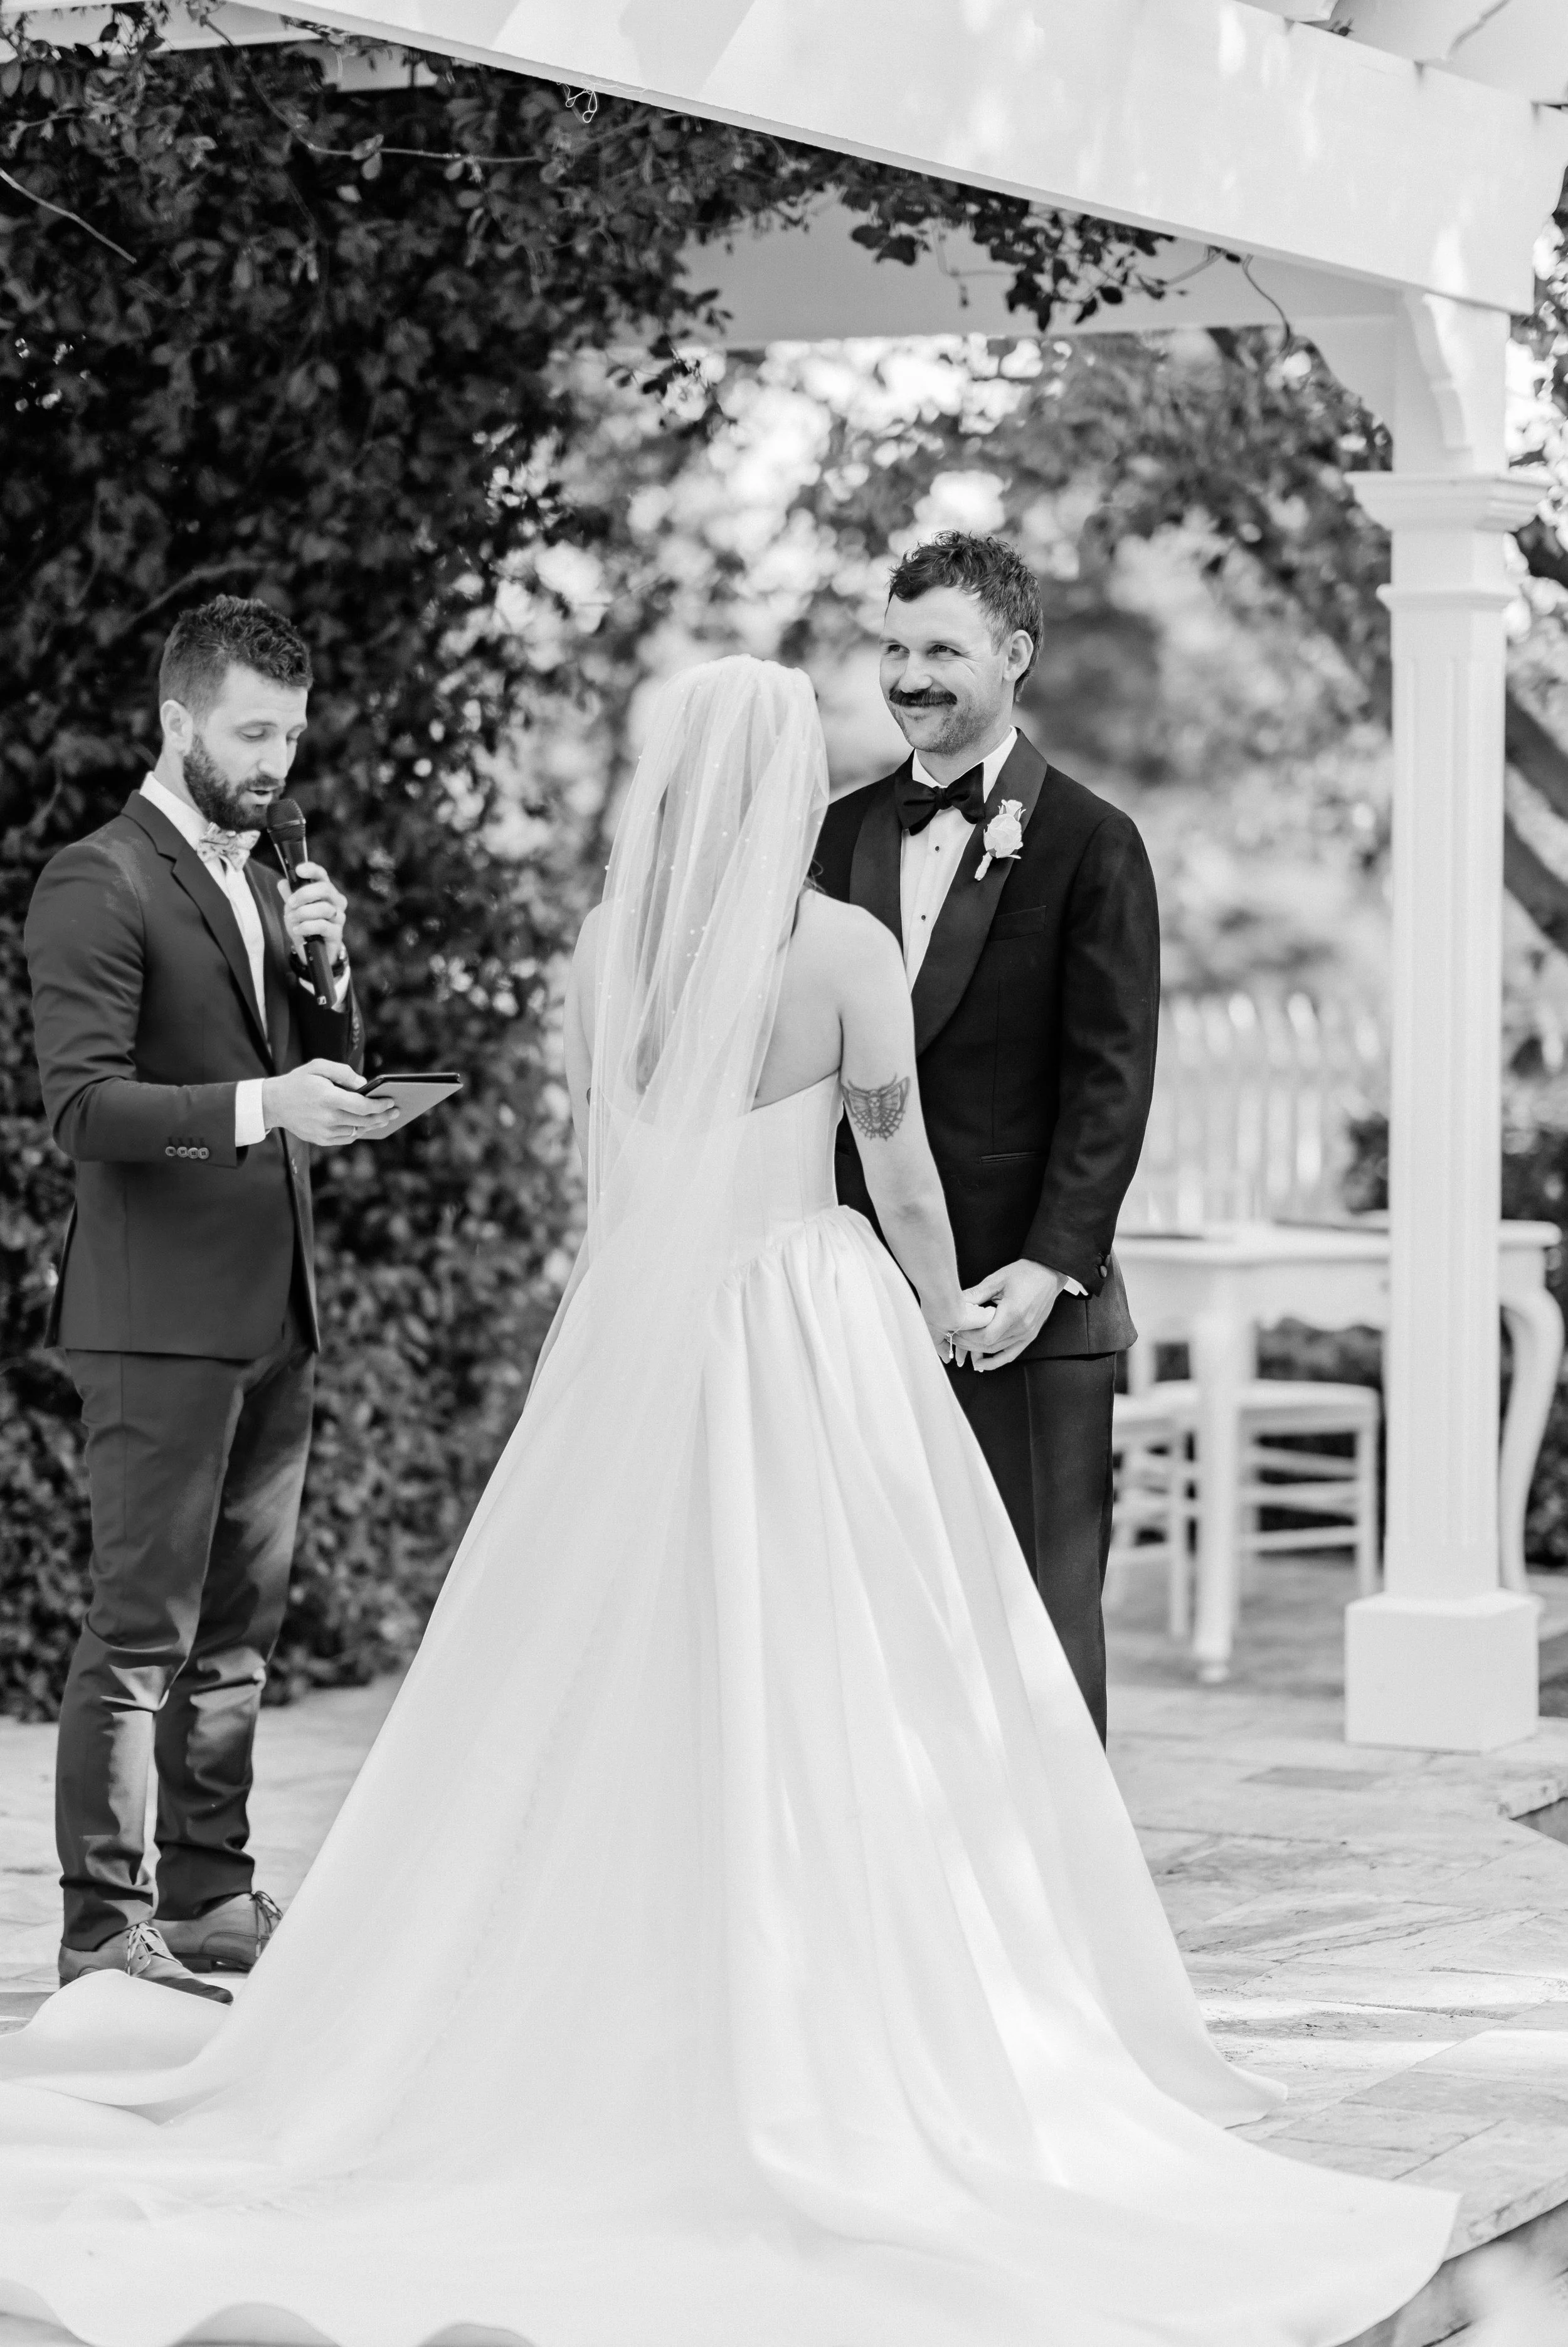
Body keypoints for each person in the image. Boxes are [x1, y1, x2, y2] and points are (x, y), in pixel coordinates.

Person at [0, 658, 1450, 2347]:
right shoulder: (841, 947)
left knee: (619, 1661)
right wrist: (945, 1310)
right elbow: (896, 1166)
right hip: (801, 1316)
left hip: (640, 1326)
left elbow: (607, 1176)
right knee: (848, 1660)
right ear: (786, 778)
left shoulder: (607, 947)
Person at [23, 595, 398, 2007]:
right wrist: (261, 1100)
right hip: (152, 1317)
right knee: (139, 1639)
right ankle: (99, 1926)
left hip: (269, 1309)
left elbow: (319, 1069)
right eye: (251, 731)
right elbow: (84, 1107)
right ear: (177, 721)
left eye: (291, 734)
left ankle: (215, 1897)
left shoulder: (259, 879)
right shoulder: (96, 878)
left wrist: (330, 971)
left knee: (238, 1641)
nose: (276, 760)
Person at [815, 531, 1158, 1742]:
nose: (910, 676)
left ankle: (1061, 1903)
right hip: (859, 1295)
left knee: (1040, 1613)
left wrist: (1052, 1266)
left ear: (1014, 655)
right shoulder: (837, 833)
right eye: (895, 648)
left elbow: (1112, 1080)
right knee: (880, 1609)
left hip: (1030, 1299)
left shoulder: (1091, 840)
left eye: (941, 650)